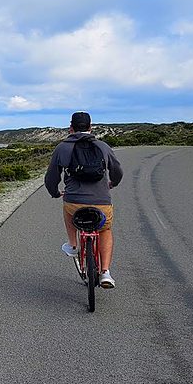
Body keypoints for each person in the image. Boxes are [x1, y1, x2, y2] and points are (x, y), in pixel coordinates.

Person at [44, 111, 123, 288]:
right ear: (90, 127)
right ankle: (105, 273)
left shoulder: (62, 148)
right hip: (101, 201)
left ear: (71, 127)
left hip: (74, 201)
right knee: (105, 230)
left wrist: (55, 193)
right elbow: (117, 171)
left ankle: (73, 245)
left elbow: (51, 177)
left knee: (68, 211)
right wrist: (112, 183)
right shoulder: (103, 146)